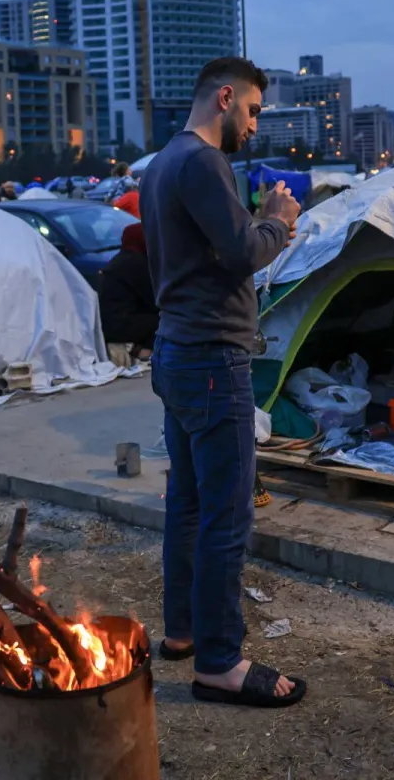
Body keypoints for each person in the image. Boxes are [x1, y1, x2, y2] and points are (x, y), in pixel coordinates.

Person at [139, 56, 304, 708]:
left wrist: (257, 221)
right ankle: (220, 663)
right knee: (227, 516)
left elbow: (213, 253)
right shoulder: (204, 163)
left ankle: (182, 632)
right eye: (255, 111)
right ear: (227, 98)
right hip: (212, 362)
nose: (256, 126)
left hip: (178, 353)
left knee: (188, 505)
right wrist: (278, 220)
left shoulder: (160, 164)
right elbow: (242, 252)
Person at [98, 223, 158, 366]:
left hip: (111, 323)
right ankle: (144, 351)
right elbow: (154, 299)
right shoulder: (135, 263)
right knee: (165, 319)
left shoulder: (124, 259)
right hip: (119, 325)